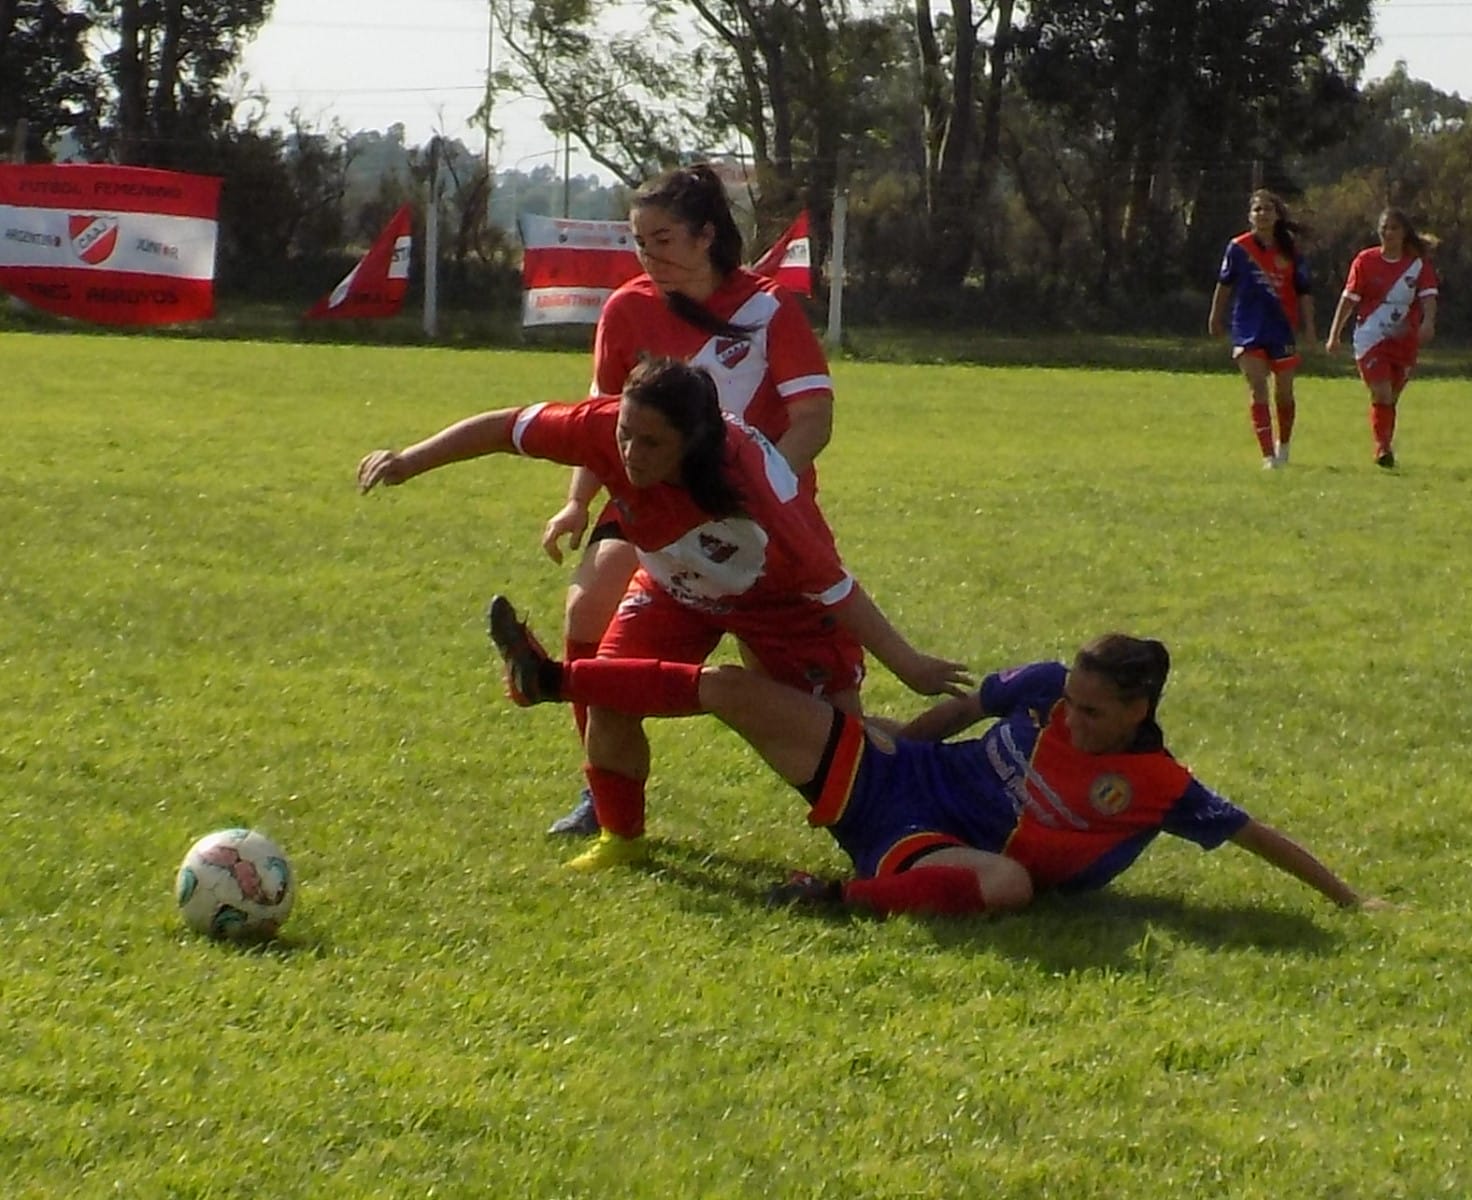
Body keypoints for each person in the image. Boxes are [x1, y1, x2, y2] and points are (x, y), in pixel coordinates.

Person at [358, 357, 968, 871]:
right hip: (676, 589)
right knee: (612, 694)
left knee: (838, 748)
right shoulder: (601, 430)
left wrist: (910, 664)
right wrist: (410, 460)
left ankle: (950, 762)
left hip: (784, 606)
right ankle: (620, 838)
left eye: (650, 443)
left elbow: (835, 589)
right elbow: (504, 427)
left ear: (696, 441)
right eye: (626, 432)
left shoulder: (756, 482)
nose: (629, 452)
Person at [489, 608, 1388, 916]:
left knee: (1009, 888)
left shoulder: (1160, 787)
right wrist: (894, 736)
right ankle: (551, 676)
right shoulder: (1043, 685)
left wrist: (1348, 897)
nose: (1064, 715)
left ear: (1138, 711)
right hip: (887, 778)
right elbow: (966, 705)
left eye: (1088, 711)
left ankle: (832, 899)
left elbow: (1255, 835)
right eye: (1064, 699)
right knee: (729, 685)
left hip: (923, 846)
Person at [542, 163, 836, 837]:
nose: (651, 257)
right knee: (590, 600)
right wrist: (577, 503)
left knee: (794, 693)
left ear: (707, 237)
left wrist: (765, 490)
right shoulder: (627, 308)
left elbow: (814, 419)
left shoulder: (768, 312)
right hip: (648, 502)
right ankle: (601, 789)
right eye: (641, 242)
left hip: (756, 524)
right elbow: (599, 420)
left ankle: (869, 787)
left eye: (664, 239)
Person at [1207, 190, 1316, 470]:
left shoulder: (1291, 251)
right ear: (1250, 216)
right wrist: (1215, 317)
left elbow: (1304, 292)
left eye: (1268, 209)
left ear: (1277, 215)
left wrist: (1310, 328)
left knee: (1284, 392)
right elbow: (1224, 284)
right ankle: (1268, 455)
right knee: (1258, 388)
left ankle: (1285, 446)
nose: (1262, 214)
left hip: (1282, 327)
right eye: (1257, 210)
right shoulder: (1239, 248)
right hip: (1248, 327)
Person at [1324, 207, 1440, 469]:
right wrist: (1334, 334)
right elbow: (1348, 299)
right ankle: (1383, 449)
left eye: (1394, 228)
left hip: (1404, 338)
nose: (1388, 233)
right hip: (1371, 337)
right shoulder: (1365, 261)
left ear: (1404, 233)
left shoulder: (1417, 264)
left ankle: (1384, 442)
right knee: (1381, 392)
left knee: (1392, 397)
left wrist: (1428, 322)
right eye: (1384, 228)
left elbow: (1429, 296)